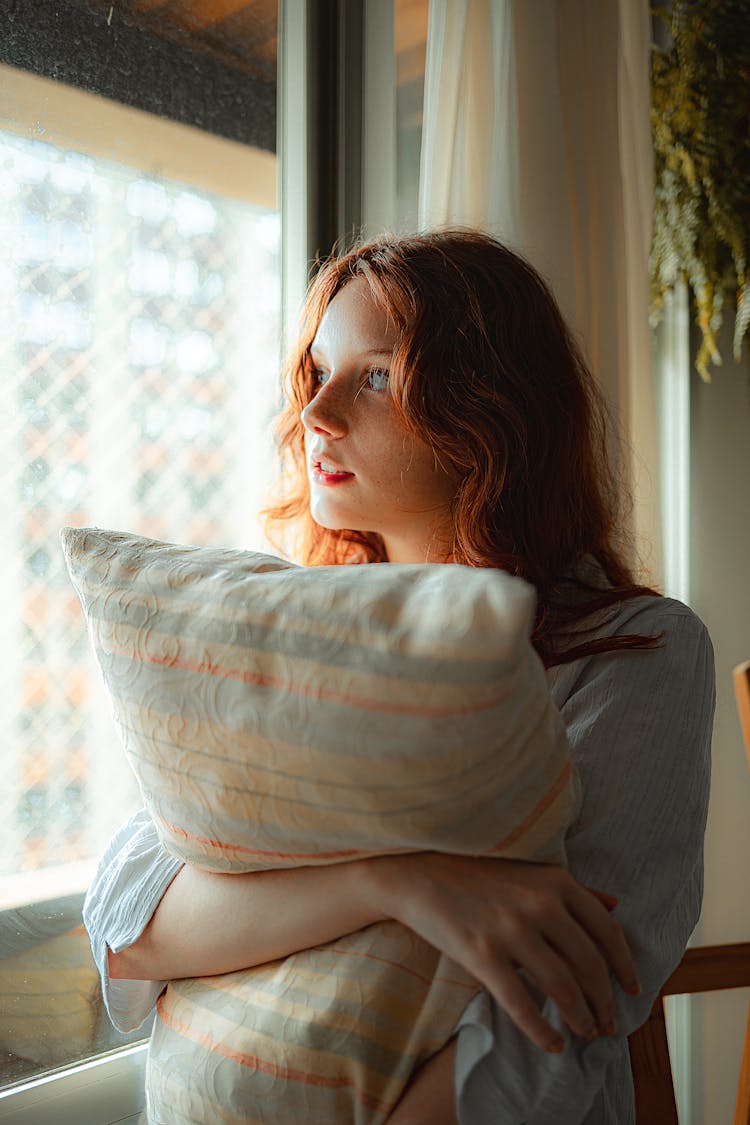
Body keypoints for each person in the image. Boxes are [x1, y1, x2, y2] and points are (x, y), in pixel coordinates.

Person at [84, 229, 714, 1124]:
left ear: (490, 407)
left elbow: (559, 1022)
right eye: (319, 372)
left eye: (375, 376)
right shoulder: (303, 631)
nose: (318, 413)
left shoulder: (638, 651)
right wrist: (397, 880)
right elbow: (126, 925)